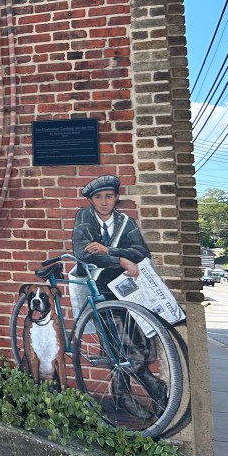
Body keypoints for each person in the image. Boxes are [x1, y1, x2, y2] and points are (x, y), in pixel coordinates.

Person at [71, 174, 166, 418]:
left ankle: (129, 394)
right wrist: (122, 258)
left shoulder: (125, 221)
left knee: (137, 340)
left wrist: (109, 250)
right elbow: (84, 252)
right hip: (96, 286)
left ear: (116, 198)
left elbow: (141, 252)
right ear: (91, 200)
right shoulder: (85, 218)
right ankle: (140, 393)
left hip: (126, 287)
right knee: (119, 342)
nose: (104, 202)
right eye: (98, 197)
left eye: (109, 197)